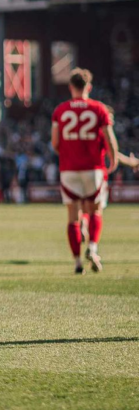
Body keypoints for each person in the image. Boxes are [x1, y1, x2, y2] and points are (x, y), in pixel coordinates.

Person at [50, 68, 118, 274]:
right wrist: (113, 159)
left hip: (69, 170)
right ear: (89, 87)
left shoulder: (60, 110)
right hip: (93, 168)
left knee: (73, 216)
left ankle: (77, 262)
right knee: (95, 210)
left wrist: (69, 153)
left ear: (71, 87)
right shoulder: (99, 109)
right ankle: (93, 247)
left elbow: (55, 143)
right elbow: (109, 138)